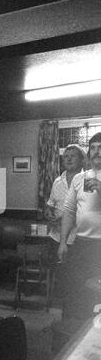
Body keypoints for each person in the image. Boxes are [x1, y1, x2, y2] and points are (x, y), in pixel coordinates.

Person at [58, 132, 101, 319]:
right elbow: (68, 211)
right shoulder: (79, 178)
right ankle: (71, 336)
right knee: (76, 293)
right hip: (81, 243)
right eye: (93, 147)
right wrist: (62, 242)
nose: (97, 151)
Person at [45, 144, 86, 248]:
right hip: (55, 237)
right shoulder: (57, 182)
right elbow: (51, 204)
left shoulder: (88, 181)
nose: (69, 159)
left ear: (81, 160)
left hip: (78, 241)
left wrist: (66, 220)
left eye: (73, 156)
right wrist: (49, 213)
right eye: (66, 156)